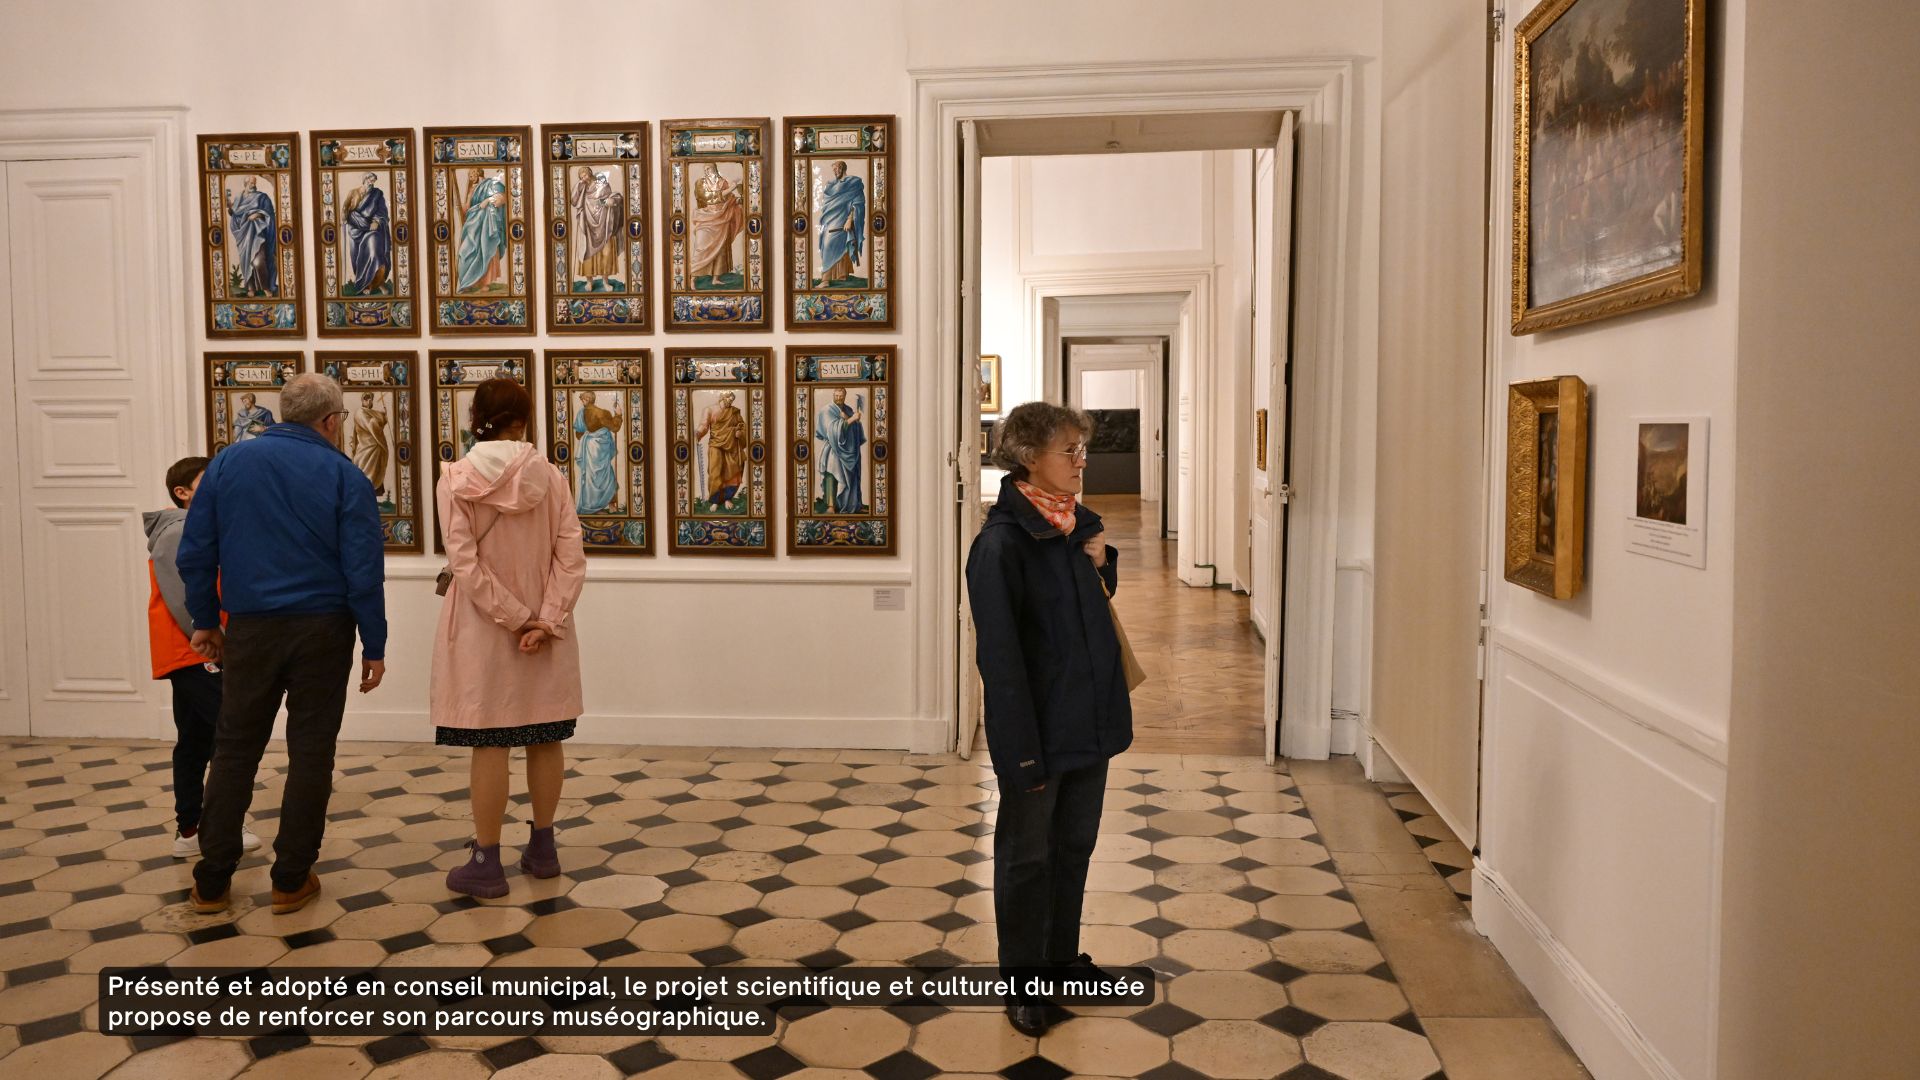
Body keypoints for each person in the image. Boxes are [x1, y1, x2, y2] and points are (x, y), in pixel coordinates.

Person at [178, 373, 388, 916]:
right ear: (333, 421)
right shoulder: (345, 474)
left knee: (234, 748)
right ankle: (291, 879)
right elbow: (363, 568)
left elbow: (196, 548)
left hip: (249, 628)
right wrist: (374, 642)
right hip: (323, 628)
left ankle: (212, 882)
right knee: (311, 753)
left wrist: (205, 618)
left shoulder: (227, 464)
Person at [965, 401, 1131, 1037]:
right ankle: (1024, 979)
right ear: (1029, 456)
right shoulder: (1002, 544)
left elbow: (1086, 616)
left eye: (1083, 449)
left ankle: (1061, 959)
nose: (1081, 461)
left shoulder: (1073, 527)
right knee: (1026, 856)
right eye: (1070, 451)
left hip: (1088, 722)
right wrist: (1020, 755)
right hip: (1037, 732)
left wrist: (1099, 563)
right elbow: (1001, 665)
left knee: (1074, 846)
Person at [433, 378, 587, 898]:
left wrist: (516, 618)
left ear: (478, 415)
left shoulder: (455, 479)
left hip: (484, 631)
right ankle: (543, 849)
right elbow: (571, 558)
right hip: (546, 634)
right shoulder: (552, 477)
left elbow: (464, 564)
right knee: (545, 735)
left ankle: (486, 861)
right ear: (526, 416)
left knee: (490, 742)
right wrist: (546, 619)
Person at [143, 456, 262, 861]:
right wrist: (217, 642)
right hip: (196, 652)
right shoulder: (177, 531)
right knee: (227, 738)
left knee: (194, 740)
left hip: (192, 652)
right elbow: (183, 598)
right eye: (206, 481)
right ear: (183, 492)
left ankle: (190, 828)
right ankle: (222, 826)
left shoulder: (195, 528)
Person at [570, 167, 625, 291]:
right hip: (588, 223)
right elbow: (573, 201)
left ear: (590, 172)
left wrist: (608, 201)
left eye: (585, 175)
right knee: (587, 254)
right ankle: (589, 282)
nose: (584, 178)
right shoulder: (582, 187)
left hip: (604, 223)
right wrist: (579, 184)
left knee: (606, 253)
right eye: (581, 177)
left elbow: (608, 198)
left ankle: (605, 282)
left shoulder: (601, 182)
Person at [455, 167, 509, 293]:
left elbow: (501, 197)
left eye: (471, 175)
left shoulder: (491, 183)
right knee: (465, 252)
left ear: (477, 173)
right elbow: (467, 209)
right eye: (469, 176)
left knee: (486, 250)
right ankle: (469, 281)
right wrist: (461, 205)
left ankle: (485, 282)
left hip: (487, 225)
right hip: (473, 226)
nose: (469, 178)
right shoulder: (472, 189)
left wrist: (487, 200)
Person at [689, 163, 743, 287]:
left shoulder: (723, 182)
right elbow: (707, 197)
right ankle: (692, 278)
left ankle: (715, 278)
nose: (708, 171)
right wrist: (731, 188)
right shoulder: (700, 183)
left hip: (722, 217)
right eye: (705, 169)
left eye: (710, 168)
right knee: (700, 249)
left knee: (721, 249)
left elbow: (730, 198)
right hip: (706, 217)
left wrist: (737, 199)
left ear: (715, 169)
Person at [814, 387, 866, 513]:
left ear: (845, 395)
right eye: (836, 396)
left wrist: (855, 420)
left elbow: (855, 431)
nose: (838, 398)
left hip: (850, 450)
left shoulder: (848, 409)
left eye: (841, 396)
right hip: (833, 449)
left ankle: (851, 504)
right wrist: (851, 419)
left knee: (852, 477)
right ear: (833, 395)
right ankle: (831, 506)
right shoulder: (827, 410)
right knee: (831, 474)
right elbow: (831, 430)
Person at [815, 160, 866, 285]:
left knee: (834, 244)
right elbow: (827, 203)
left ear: (842, 168)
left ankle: (826, 279)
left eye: (837, 169)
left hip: (843, 221)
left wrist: (850, 220)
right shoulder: (831, 185)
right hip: (830, 220)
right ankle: (835, 276)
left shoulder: (853, 183)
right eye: (833, 170)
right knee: (825, 244)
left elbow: (858, 203)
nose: (835, 172)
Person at [695, 390, 747, 510]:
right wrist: (698, 434)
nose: (731, 401)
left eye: (732, 399)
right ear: (723, 397)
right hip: (716, 445)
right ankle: (715, 500)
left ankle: (728, 498)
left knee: (732, 472)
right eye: (729, 398)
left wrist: (741, 433)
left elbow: (742, 425)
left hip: (732, 445)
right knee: (715, 472)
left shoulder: (734, 412)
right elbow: (704, 425)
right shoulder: (710, 410)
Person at [572, 390, 621, 514]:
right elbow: (615, 427)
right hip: (601, 448)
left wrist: (589, 434)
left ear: (587, 400)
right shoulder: (603, 413)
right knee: (607, 475)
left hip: (589, 448)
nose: (582, 402)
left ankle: (591, 505)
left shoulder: (581, 414)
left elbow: (578, 434)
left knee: (590, 477)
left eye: (583, 399)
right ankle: (612, 505)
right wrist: (618, 415)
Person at [227, 175, 277, 296]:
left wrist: (258, 215)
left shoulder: (262, 197)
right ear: (245, 184)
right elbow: (235, 215)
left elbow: (269, 213)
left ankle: (265, 287)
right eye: (251, 183)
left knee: (258, 262)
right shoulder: (239, 198)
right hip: (244, 235)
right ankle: (251, 288)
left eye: (254, 183)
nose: (254, 185)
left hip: (258, 234)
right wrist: (229, 207)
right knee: (246, 262)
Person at [343, 172, 391, 295]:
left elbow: (382, 211)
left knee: (375, 252)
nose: (372, 182)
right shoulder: (353, 192)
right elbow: (345, 208)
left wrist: (376, 221)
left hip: (372, 229)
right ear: (365, 179)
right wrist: (344, 216)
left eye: (374, 181)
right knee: (358, 257)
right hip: (356, 230)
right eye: (370, 180)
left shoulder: (377, 194)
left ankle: (378, 283)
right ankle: (365, 284)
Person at [347, 392, 390, 499]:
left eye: (370, 399)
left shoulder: (370, 412)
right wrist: (381, 418)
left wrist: (383, 417)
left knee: (376, 473)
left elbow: (377, 423)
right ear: (362, 400)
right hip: (366, 449)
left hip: (375, 448)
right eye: (366, 399)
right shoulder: (360, 413)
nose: (369, 401)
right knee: (365, 473)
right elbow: (371, 425)